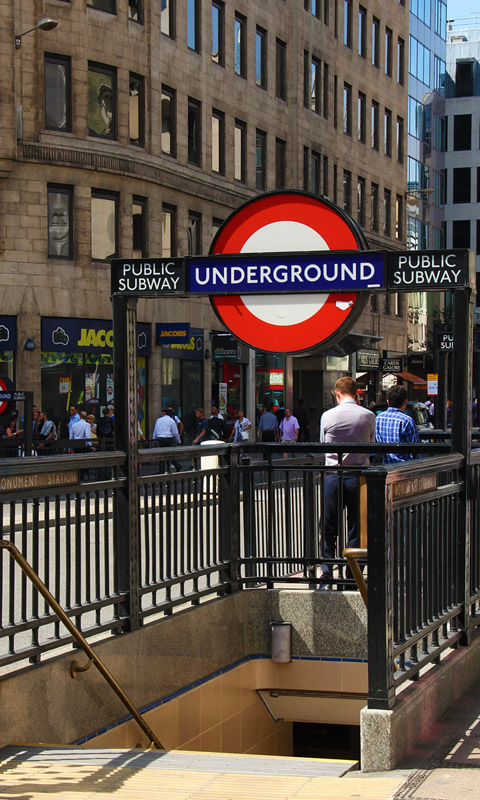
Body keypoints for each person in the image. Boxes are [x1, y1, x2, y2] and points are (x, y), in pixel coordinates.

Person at [319, 377, 375, 588]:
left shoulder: (328, 416)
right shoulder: (368, 415)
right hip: (359, 476)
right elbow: (371, 441)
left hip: (333, 474)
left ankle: (326, 572)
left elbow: (323, 444)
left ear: (338, 394)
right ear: (356, 393)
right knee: (356, 526)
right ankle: (353, 573)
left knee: (328, 525)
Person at [374, 385, 420, 464]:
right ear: (405, 402)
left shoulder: (378, 418)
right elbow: (415, 449)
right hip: (404, 467)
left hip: (384, 467)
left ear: (388, 401)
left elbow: (376, 442)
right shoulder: (407, 421)